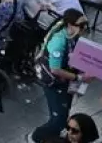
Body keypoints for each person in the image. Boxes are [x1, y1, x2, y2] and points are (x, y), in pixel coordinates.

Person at [33, 10, 88, 143]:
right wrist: (78, 78)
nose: (85, 28)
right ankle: (37, 136)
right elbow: (55, 69)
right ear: (70, 25)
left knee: (64, 111)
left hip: (66, 79)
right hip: (54, 82)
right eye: (81, 25)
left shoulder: (71, 34)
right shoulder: (59, 41)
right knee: (58, 119)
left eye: (86, 24)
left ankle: (53, 135)